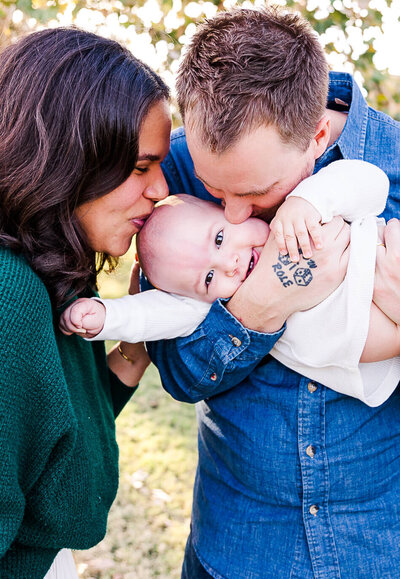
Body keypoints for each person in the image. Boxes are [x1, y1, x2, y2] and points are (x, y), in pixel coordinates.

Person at [145, 7, 400, 579]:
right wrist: (255, 311)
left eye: (256, 192)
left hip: (378, 557)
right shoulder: (178, 169)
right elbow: (179, 373)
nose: (232, 213)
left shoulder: (393, 162)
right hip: (238, 556)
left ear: (315, 136)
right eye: (214, 191)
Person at [0, 27, 171, 579]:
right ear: (70, 157)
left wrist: (137, 343)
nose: (161, 188)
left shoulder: (50, 269)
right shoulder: (9, 294)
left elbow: (58, 430)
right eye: (142, 166)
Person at [61, 159, 400, 406]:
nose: (229, 265)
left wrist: (306, 202)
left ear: (228, 208)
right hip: (363, 336)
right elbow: (154, 314)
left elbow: (366, 180)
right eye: (209, 278)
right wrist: (106, 316)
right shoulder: (206, 306)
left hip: (382, 259)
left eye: (220, 239)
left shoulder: (295, 213)